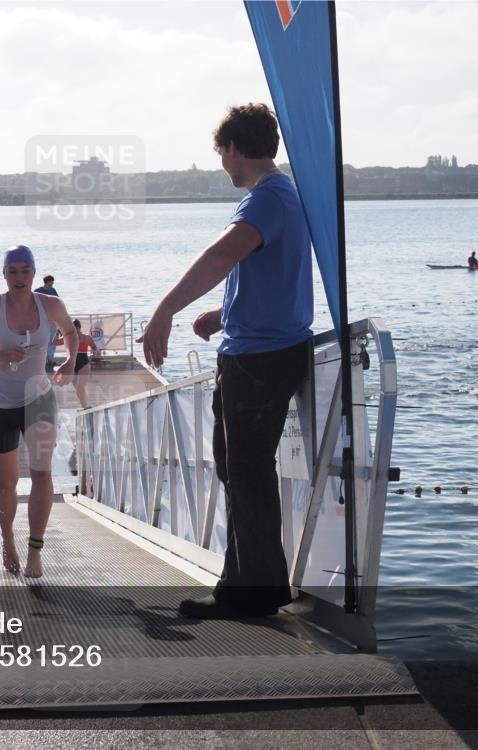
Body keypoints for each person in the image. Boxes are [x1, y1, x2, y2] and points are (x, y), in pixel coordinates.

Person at [138, 103, 313, 619]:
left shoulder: (267, 199)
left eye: (221, 154)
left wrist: (164, 310)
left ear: (237, 148)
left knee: (247, 470)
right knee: (237, 468)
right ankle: (245, 582)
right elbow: (265, 270)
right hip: (261, 348)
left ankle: (251, 592)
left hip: (260, 359)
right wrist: (224, 312)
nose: (222, 164)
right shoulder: (282, 199)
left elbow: (222, 255)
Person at [0, 246, 78, 578]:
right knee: (7, 483)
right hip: (0, 402)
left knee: (42, 474)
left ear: (34, 273)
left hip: (38, 398)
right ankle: (8, 539)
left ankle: (35, 552)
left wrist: (70, 360)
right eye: (13, 271)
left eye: (26, 271)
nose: (20, 277)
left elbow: (70, 332)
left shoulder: (50, 305)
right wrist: (1, 355)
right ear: (4, 274)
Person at [69, 319, 101, 408]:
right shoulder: (68, 337)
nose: (75, 331)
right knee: (78, 389)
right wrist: (58, 332)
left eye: (76, 329)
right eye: (72, 328)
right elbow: (55, 342)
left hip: (84, 363)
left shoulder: (87, 337)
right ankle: (85, 405)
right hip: (72, 364)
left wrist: (96, 352)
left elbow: (94, 347)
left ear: (79, 328)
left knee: (80, 387)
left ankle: (86, 407)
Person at [35, 274, 59, 370]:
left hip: (52, 318)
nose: (52, 283)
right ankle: (42, 359)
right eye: (52, 281)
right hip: (41, 318)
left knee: (52, 338)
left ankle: (50, 358)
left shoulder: (53, 291)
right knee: (42, 338)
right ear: (48, 281)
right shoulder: (38, 291)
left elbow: (58, 302)